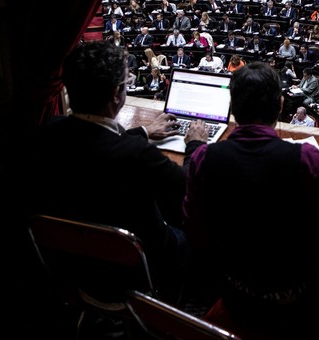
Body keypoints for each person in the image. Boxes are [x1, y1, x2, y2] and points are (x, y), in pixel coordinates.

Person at [28, 41, 208, 302]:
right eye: (127, 81)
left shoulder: (48, 130)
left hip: (74, 267)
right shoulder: (136, 155)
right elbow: (187, 185)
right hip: (137, 272)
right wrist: (195, 145)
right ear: (116, 94)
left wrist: (144, 132)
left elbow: (93, 142)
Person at [183, 62, 319, 337]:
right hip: (298, 292)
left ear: (232, 105)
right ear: (280, 105)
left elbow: (195, 231)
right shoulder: (305, 158)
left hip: (235, 289)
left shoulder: (203, 158)